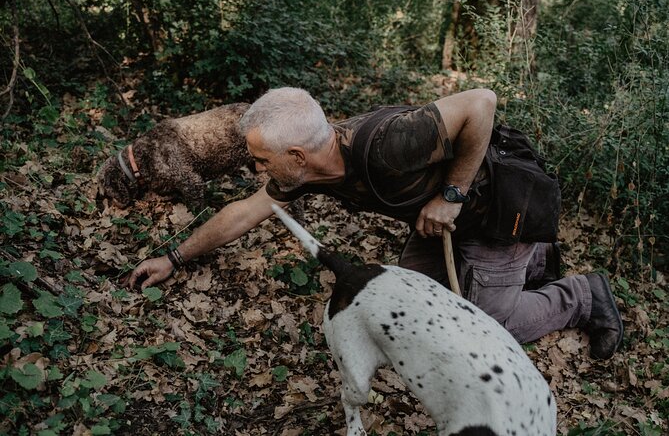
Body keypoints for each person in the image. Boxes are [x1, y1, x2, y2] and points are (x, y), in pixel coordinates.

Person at [129, 87, 623, 360]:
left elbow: (481, 103)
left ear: (296, 155)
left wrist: (451, 196)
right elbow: (244, 211)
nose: (255, 170)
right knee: (410, 300)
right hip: (439, 226)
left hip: (493, 214)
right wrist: (173, 258)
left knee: (488, 325)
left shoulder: (389, 142)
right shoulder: (307, 172)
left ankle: (583, 296)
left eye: (260, 161)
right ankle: (530, 268)